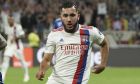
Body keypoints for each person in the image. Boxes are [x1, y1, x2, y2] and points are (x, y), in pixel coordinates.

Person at [36, 1, 109, 84]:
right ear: (61, 17)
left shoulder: (90, 32)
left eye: (72, 15)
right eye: (65, 15)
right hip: (55, 81)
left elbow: (104, 43)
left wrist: (103, 64)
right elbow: (46, 59)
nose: (69, 19)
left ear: (78, 16)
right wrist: (41, 70)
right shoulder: (54, 35)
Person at [1, 15, 30, 82]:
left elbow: (23, 35)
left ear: (13, 20)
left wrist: (16, 37)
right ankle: (2, 78)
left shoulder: (18, 26)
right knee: (5, 60)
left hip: (17, 46)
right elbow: (5, 35)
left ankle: (26, 75)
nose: (9, 21)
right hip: (10, 46)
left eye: (10, 19)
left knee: (22, 61)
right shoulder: (6, 27)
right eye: (8, 19)